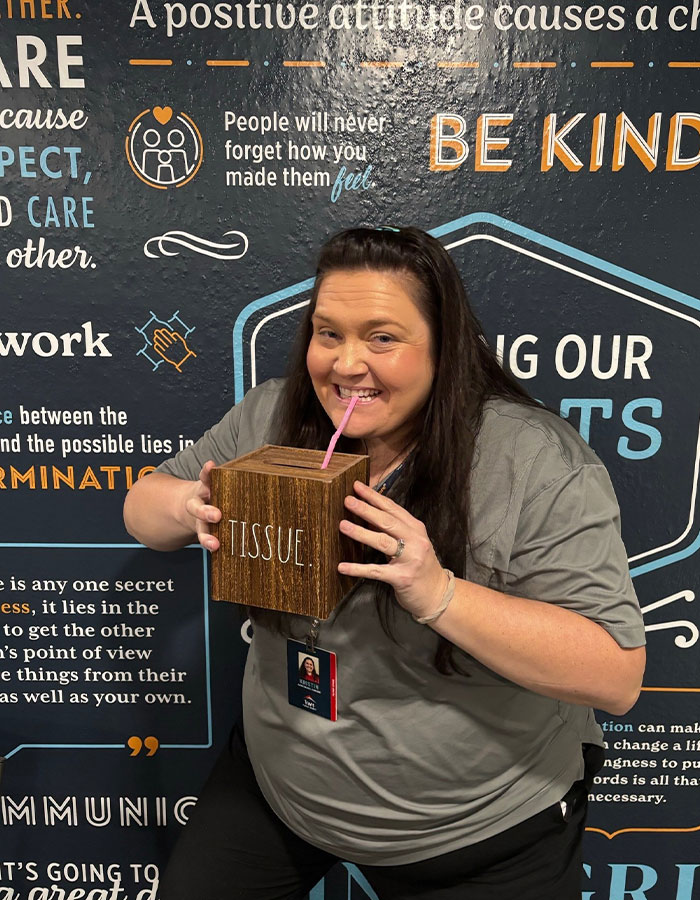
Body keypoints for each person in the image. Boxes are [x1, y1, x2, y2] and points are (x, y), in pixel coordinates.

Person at [123, 226, 646, 900]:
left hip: (473, 829)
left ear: (444, 347)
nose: (345, 364)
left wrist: (439, 594)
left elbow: (616, 676)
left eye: (382, 338)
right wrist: (196, 505)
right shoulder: (272, 419)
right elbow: (142, 508)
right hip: (281, 788)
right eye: (327, 333)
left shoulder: (535, 460)